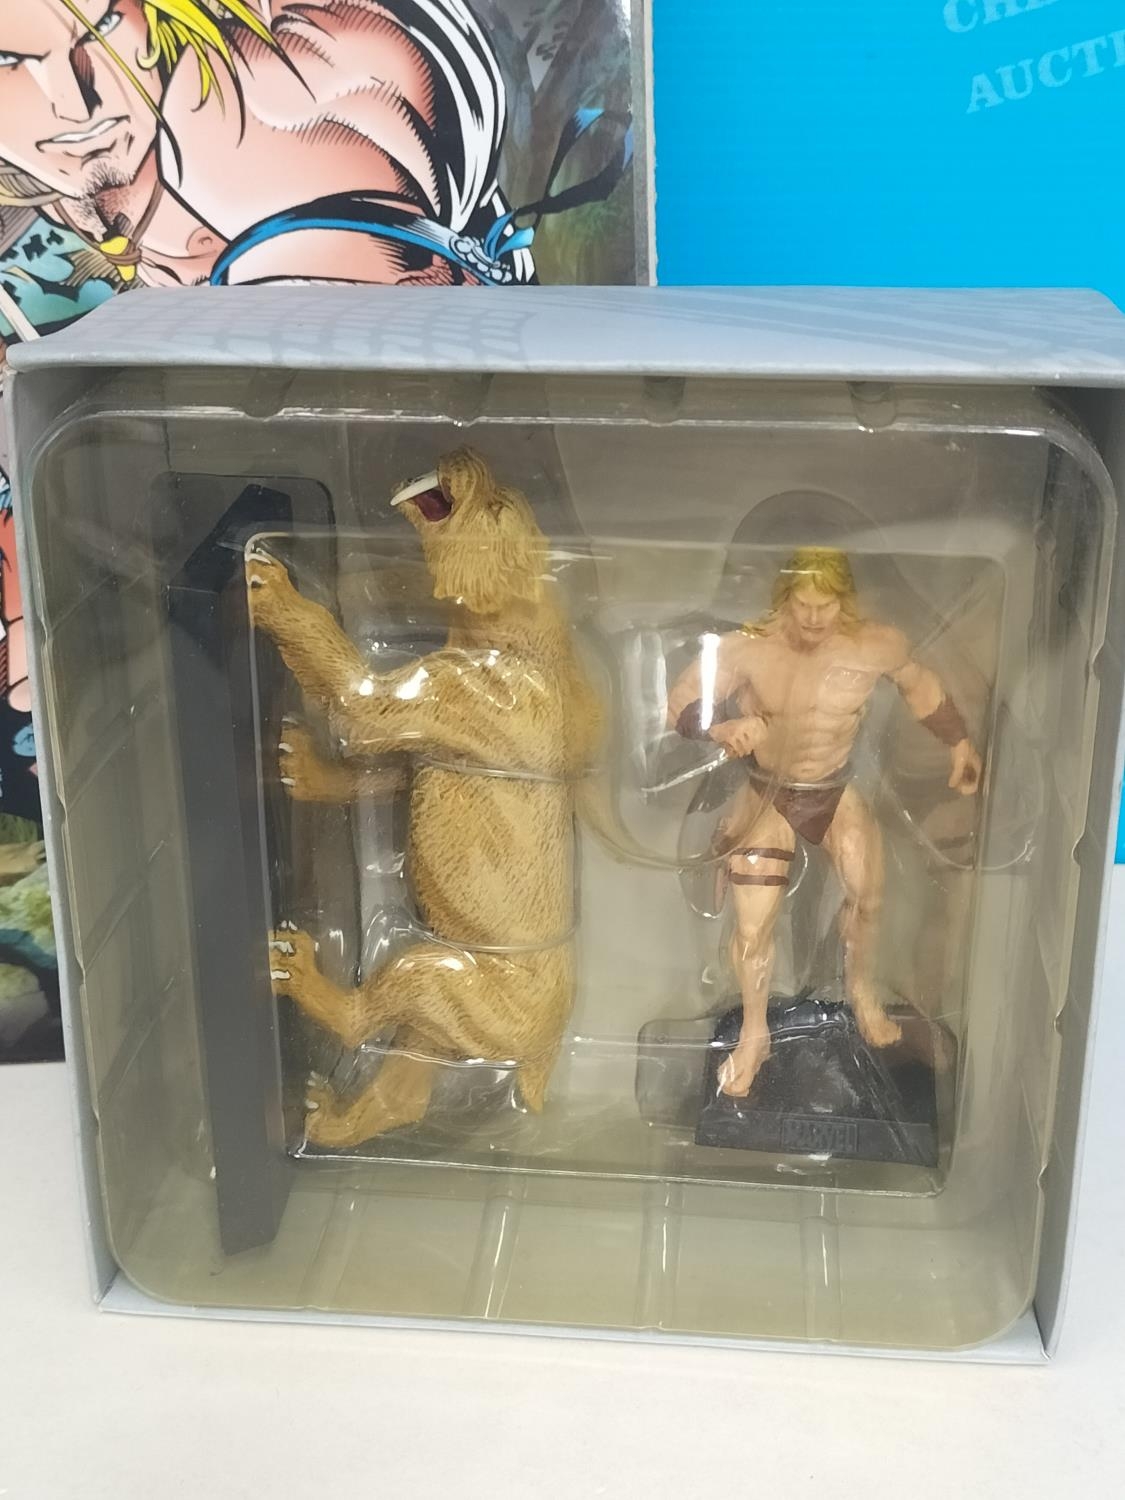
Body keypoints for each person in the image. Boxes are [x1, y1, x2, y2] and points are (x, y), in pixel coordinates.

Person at [668, 548, 983, 1097]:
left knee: (870, 897)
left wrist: (959, 743)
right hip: (768, 791)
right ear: (784, 599)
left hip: (832, 789)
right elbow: (680, 702)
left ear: (845, 601)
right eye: (803, 604)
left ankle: (862, 993)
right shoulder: (748, 649)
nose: (814, 617)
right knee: (752, 927)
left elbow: (919, 685)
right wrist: (722, 729)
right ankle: (755, 1035)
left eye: (827, 604)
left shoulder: (873, 645)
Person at [0, 0, 538, 287]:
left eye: (105, 23)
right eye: (7, 62)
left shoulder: (249, 100)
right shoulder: (53, 200)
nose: (75, 104)